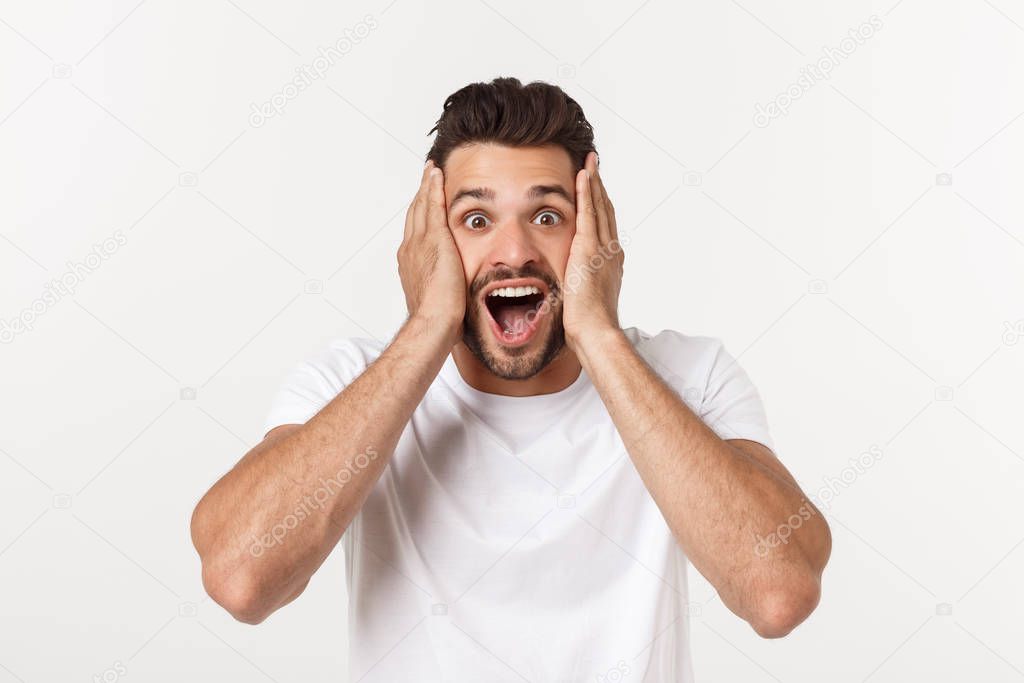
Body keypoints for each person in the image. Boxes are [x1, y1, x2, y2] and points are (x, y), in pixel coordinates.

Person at [190, 76, 831, 682]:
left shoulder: (691, 376)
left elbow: (778, 595)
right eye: (475, 220)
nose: (515, 250)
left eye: (548, 216)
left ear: (594, 234)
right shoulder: (352, 381)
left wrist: (599, 334)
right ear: (429, 241)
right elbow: (242, 581)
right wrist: (427, 327)